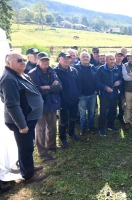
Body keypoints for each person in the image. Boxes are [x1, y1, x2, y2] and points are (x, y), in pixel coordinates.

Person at [0, 52, 46, 183]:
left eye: (24, 60)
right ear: (8, 62)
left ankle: (27, 167)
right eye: (19, 60)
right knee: (25, 147)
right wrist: (22, 125)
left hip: (27, 117)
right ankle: (28, 175)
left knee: (27, 145)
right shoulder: (9, 79)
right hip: (22, 120)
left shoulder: (17, 75)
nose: (23, 62)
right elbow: (12, 104)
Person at [28, 52, 62, 161]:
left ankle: (51, 145)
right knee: (40, 129)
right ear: (37, 61)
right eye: (42, 60)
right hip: (39, 105)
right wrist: (52, 86)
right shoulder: (32, 74)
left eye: (47, 60)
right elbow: (36, 91)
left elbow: (60, 87)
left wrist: (47, 87)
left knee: (52, 126)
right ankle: (42, 151)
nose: (45, 62)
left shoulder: (52, 71)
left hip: (51, 104)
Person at [54, 52, 81, 147]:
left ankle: (71, 133)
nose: (67, 60)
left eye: (68, 58)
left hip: (74, 99)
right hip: (63, 101)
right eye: (64, 58)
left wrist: (78, 94)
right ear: (59, 59)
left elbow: (78, 84)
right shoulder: (55, 71)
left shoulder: (74, 70)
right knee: (63, 120)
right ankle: (62, 138)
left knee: (73, 117)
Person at [94, 54, 123, 136]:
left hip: (114, 94)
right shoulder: (101, 69)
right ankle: (101, 129)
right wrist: (105, 87)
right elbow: (96, 81)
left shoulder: (117, 69)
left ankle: (111, 125)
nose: (113, 61)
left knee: (113, 111)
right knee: (103, 112)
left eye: (113, 59)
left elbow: (121, 79)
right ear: (106, 61)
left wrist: (119, 82)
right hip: (104, 95)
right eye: (110, 59)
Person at [74, 52, 97, 136]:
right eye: (83, 57)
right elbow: (75, 82)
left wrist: (96, 90)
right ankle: (83, 128)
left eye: (87, 57)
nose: (85, 58)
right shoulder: (76, 68)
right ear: (80, 58)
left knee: (91, 111)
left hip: (92, 94)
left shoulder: (92, 67)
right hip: (82, 95)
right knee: (82, 113)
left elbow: (96, 79)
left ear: (89, 58)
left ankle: (91, 126)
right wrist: (78, 93)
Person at [115, 52, 125, 124]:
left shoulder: (124, 66)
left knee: (121, 104)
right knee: (113, 104)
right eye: (117, 56)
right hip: (114, 88)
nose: (119, 58)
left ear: (123, 58)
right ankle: (113, 115)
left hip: (122, 88)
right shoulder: (112, 65)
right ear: (115, 57)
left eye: (120, 56)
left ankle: (121, 117)